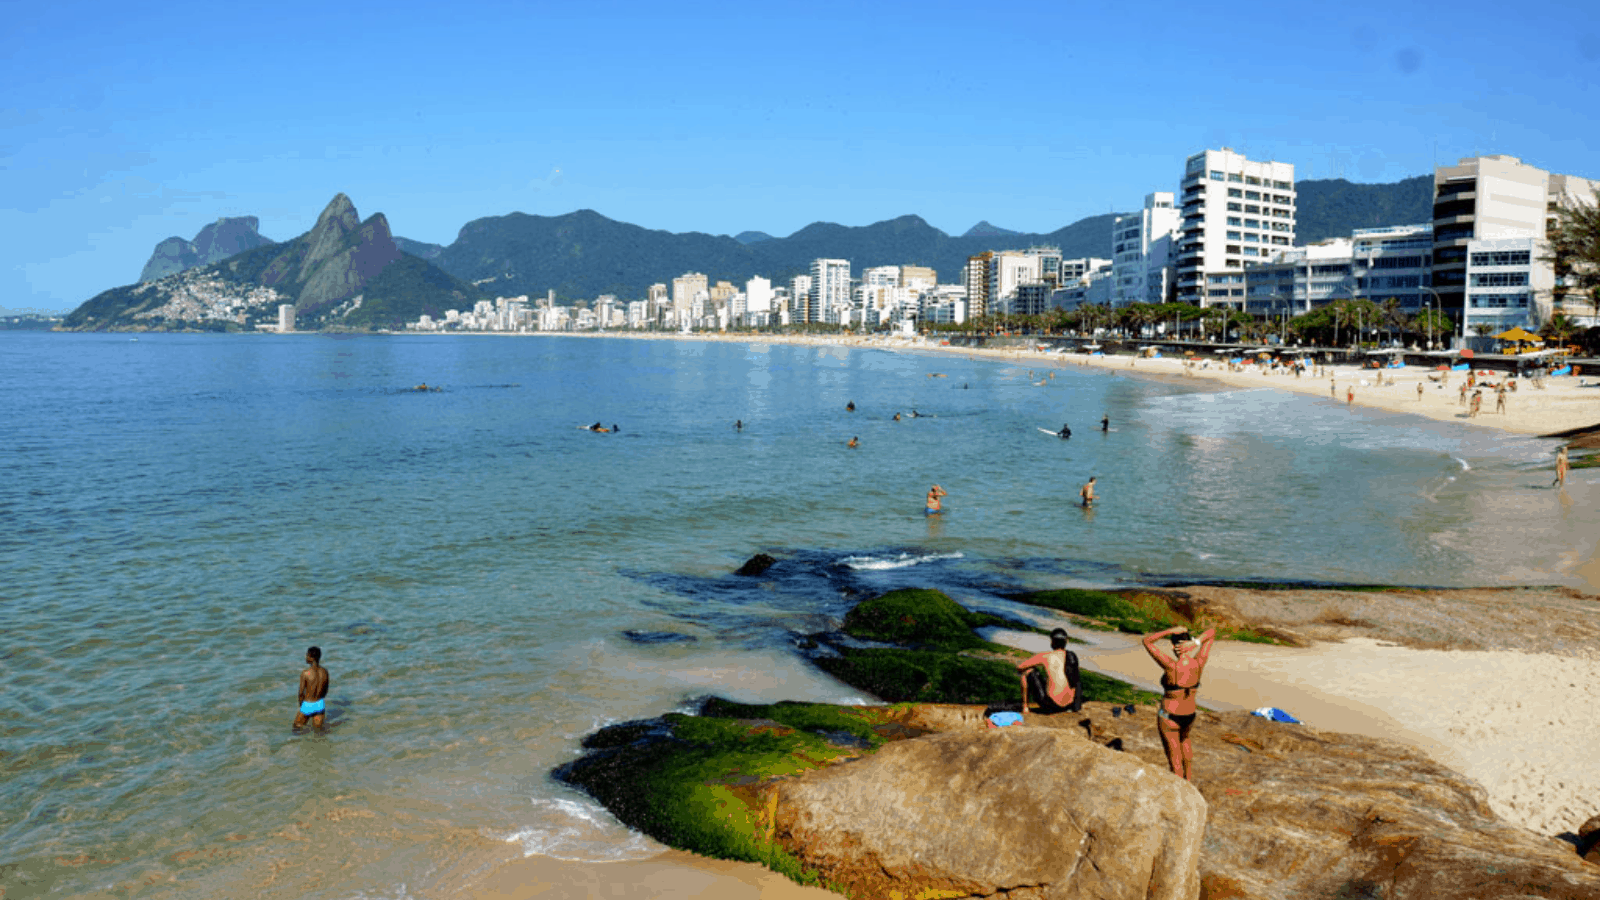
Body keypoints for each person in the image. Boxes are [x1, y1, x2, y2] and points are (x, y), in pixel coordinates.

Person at [1142, 626, 1215, 779]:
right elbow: (1211, 632)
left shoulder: (1171, 666)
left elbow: (1147, 641)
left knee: (1175, 764)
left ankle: (1180, 791)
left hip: (1170, 716)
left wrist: (1169, 631)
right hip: (1189, 715)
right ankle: (1189, 780)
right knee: (1185, 741)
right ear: (1188, 644)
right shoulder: (1198, 663)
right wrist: (1197, 642)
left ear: (1174, 646)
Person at [1017, 628, 1081, 715]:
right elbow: (1076, 680)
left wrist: (1034, 666)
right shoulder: (1072, 656)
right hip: (1069, 705)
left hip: (1051, 705)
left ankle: (1025, 708)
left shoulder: (1045, 656)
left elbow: (1020, 667)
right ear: (1066, 642)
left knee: (1027, 672)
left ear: (1052, 641)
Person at [294, 646, 330, 731]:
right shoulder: (325, 672)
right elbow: (325, 691)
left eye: (307, 655)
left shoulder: (305, 673)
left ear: (311, 657)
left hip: (307, 704)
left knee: (296, 730)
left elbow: (301, 693)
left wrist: (302, 706)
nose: (306, 657)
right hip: (320, 704)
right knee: (318, 733)